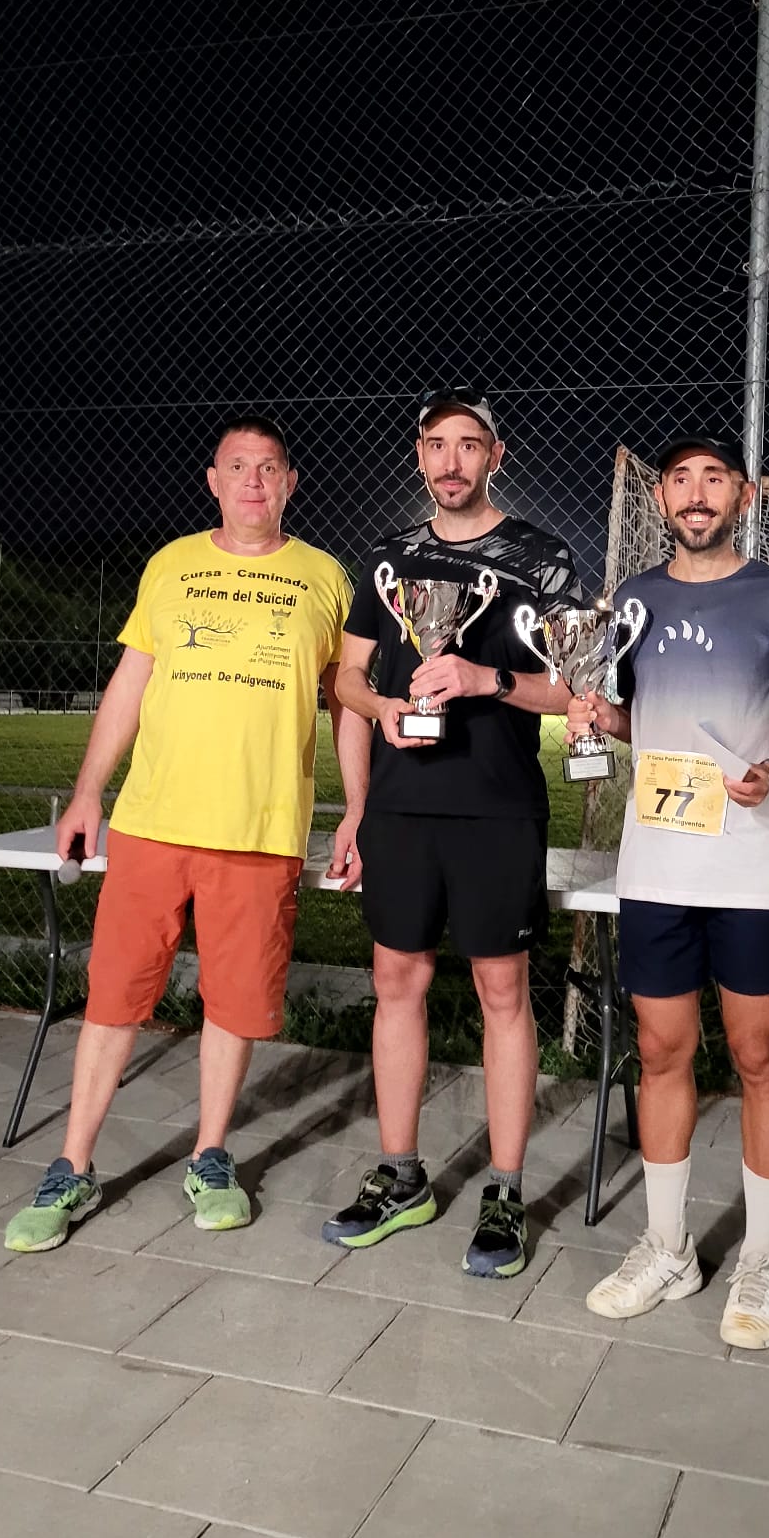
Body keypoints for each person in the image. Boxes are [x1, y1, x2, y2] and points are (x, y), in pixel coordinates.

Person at [3, 414, 367, 1251]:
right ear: (213, 481)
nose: (252, 481)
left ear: (291, 483)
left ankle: (210, 1157)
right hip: (153, 823)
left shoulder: (325, 578)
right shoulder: (170, 564)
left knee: (232, 1007)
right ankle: (71, 1166)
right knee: (113, 999)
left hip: (260, 831)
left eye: (268, 468)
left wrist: (358, 805)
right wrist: (87, 792)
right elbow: (130, 683)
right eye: (237, 466)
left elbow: (346, 703)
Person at [569, 436, 769, 1346]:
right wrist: (599, 714)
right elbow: (630, 714)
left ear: (742, 495)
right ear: (661, 498)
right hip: (657, 867)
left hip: (752, 869)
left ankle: (760, 1258)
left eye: (713, 479)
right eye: (680, 480)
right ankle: (668, 1247)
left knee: (758, 1056)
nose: (695, 494)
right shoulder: (632, 600)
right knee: (659, 1049)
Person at [322, 389, 580, 1277]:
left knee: (502, 991)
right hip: (400, 805)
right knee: (396, 979)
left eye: (469, 446)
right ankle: (401, 1177)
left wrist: (485, 681)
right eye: (436, 445)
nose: (451, 461)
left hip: (496, 806)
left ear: (495, 456)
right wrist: (376, 736)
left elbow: (574, 691)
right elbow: (346, 680)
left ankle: (505, 1191)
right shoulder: (387, 560)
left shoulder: (541, 559)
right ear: (419, 454)